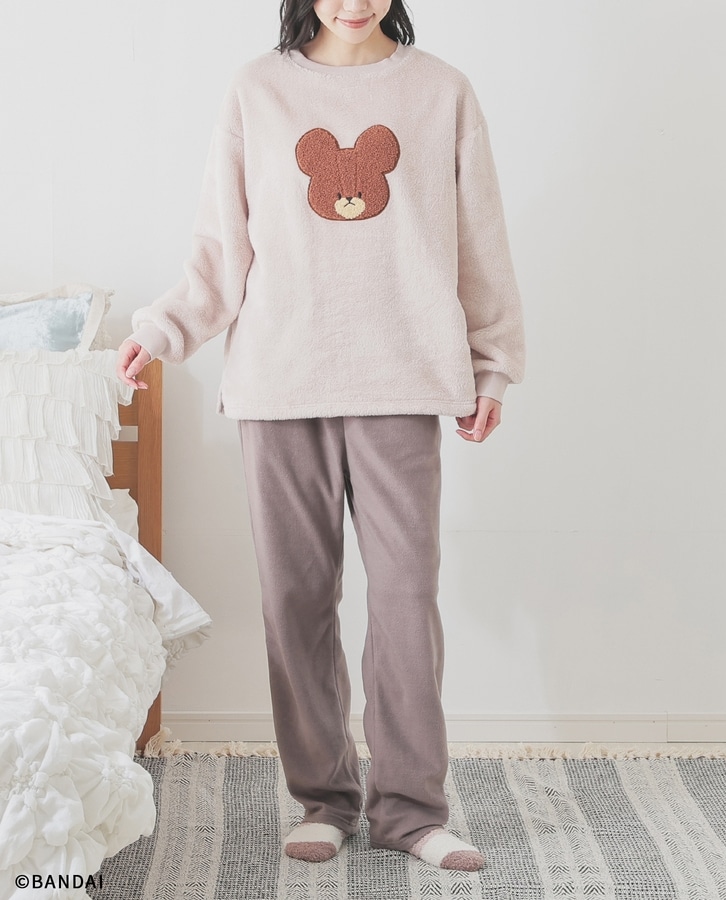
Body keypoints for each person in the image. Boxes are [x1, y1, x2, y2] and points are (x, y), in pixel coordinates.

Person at [117, 0, 525, 873]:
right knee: (296, 602)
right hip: (280, 381)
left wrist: (491, 366)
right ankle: (325, 800)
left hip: (402, 378)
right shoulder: (257, 90)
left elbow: (479, 240)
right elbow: (221, 247)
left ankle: (411, 811)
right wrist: (161, 330)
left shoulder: (442, 91)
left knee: (405, 600)